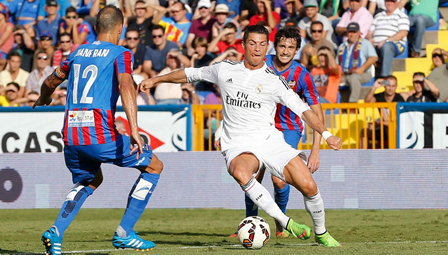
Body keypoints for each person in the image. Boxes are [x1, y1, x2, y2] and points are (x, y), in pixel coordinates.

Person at [140, 25, 342, 247]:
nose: (257, 49)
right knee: (240, 171)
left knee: (309, 187)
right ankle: (286, 222)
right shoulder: (224, 69)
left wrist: (326, 134)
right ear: (243, 44)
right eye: (252, 43)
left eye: (262, 44)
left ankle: (321, 233)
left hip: (269, 140)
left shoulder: (275, 82)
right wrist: (156, 80)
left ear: (267, 48)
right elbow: (190, 74)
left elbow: (304, 110)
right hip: (238, 143)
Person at [34, 6, 163, 254]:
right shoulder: (121, 53)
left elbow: (51, 80)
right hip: (98, 133)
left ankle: (56, 232)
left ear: (95, 28)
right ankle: (125, 233)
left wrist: (43, 98)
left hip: (71, 133)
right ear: (120, 28)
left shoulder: (76, 53)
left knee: (90, 179)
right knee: (154, 166)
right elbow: (126, 85)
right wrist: (134, 129)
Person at [229, 26, 323, 239]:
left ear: (297, 50)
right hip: (258, 128)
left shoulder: (302, 75)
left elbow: (317, 112)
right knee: (253, 175)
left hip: (289, 128)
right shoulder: (262, 64)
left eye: (291, 47)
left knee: (280, 180)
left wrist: (316, 149)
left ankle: (281, 223)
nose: (285, 51)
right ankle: (249, 223)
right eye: (282, 45)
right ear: (275, 46)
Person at [366, 0, 409, 77]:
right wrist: (369, 39)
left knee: (386, 47)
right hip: (376, 44)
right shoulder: (378, 16)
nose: (389, 3)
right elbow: (370, 32)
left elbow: (403, 33)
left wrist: (386, 41)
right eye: (387, 1)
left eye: (391, 1)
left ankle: (384, 77)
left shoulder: (401, 16)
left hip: (395, 44)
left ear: (396, 2)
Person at [336, 22, 378, 103]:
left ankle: (353, 104)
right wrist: (337, 75)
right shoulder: (342, 46)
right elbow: (337, 64)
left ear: (359, 33)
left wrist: (362, 68)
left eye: (354, 32)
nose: (352, 34)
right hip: (345, 74)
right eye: (350, 32)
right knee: (331, 78)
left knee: (354, 77)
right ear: (347, 33)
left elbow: (373, 58)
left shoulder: (365, 43)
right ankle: (330, 105)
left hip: (363, 73)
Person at [363, 76, 405, 148]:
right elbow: (367, 102)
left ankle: (393, 155)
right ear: (384, 86)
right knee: (364, 132)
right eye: (388, 85)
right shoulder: (380, 96)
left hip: (396, 130)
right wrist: (374, 88)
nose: (390, 88)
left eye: (393, 86)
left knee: (390, 128)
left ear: (396, 87)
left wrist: (380, 123)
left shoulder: (399, 99)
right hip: (383, 128)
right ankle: (362, 157)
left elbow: (398, 121)